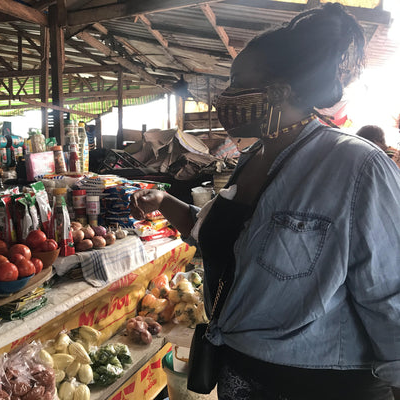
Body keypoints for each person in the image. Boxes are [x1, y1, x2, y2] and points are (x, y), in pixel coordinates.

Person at [130, 3, 400, 400]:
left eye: (237, 80)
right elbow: (224, 239)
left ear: (279, 91)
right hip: (241, 376)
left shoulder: (357, 166)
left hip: (319, 385)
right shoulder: (252, 158)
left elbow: (391, 299)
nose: (226, 95)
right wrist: (162, 200)